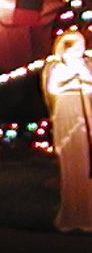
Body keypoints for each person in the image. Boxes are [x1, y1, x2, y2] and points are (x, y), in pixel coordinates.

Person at [46, 29, 92, 232]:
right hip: (66, 111)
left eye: (82, 49)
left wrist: (82, 74)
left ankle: (86, 212)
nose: (80, 53)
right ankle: (70, 213)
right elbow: (54, 88)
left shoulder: (84, 67)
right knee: (70, 161)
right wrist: (73, 77)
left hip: (82, 111)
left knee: (83, 161)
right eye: (76, 49)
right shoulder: (58, 68)